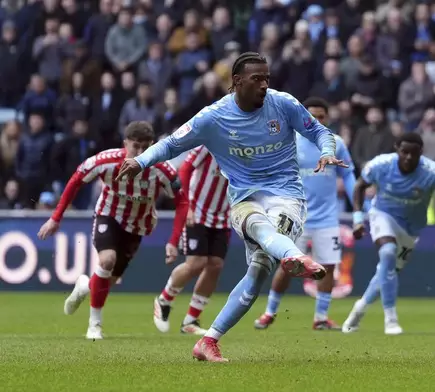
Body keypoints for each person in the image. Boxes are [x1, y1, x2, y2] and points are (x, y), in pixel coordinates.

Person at [115, 52, 346, 362]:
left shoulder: (284, 104)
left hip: (286, 195)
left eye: (267, 78)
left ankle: (208, 340)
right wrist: (141, 161)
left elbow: (319, 131)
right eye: (257, 79)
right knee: (258, 226)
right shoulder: (213, 117)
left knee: (260, 270)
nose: (265, 85)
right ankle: (293, 255)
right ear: (237, 81)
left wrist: (327, 151)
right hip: (243, 199)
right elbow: (171, 143)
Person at [36, 121, 189, 340]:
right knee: (106, 261)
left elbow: (182, 202)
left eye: (145, 148)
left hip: (137, 225)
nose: (140, 153)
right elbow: (77, 179)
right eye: (135, 146)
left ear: (153, 145)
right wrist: (55, 218)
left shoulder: (162, 169)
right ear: (125, 143)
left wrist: (173, 241)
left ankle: (84, 287)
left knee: (110, 279)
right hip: (108, 215)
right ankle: (94, 325)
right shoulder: (106, 161)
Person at [342, 132, 435, 335]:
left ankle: (359, 309)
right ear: (396, 149)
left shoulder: (432, 172)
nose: (409, 157)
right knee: (388, 252)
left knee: (386, 270)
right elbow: (359, 186)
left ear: (421, 153)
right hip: (383, 215)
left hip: (411, 229)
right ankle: (391, 320)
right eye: (404, 152)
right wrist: (357, 219)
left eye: (414, 153)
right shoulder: (381, 165)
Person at [254, 97, 356, 331]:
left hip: (328, 218)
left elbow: (348, 175)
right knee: (288, 265)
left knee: (328, 266)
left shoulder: (335, 143)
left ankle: (320, 317)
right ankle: (269, 312)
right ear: (305, 118)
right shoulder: (291, 142)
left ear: (327, 119)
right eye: (313, 117)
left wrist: (359, 211)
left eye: (322, 117)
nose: (317, 120)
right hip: (297, 217)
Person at [153, 146, 231, 335]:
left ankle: (190, 320)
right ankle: (164, 299)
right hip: (198, 212)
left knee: (216, 265)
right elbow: (185, 168)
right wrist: (188, 204)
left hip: (224, 215)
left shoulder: (247, 148)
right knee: (196, 263)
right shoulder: (209, 143)